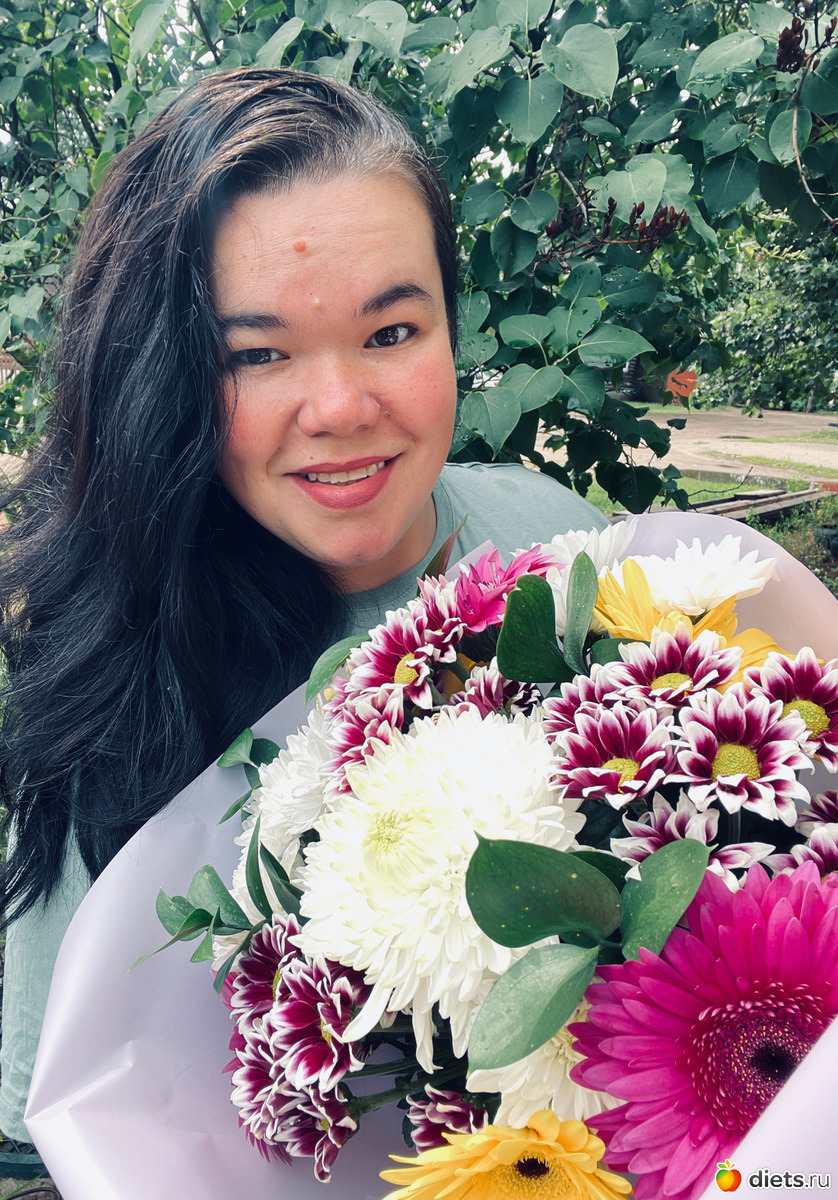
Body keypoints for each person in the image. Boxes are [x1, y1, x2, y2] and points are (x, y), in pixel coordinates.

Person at [0, 67, 607, 1146]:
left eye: (391, 333)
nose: (339, 407)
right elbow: (78, 1119)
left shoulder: (565, 543)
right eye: (257, 354)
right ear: (162, 378)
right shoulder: (116, 699)